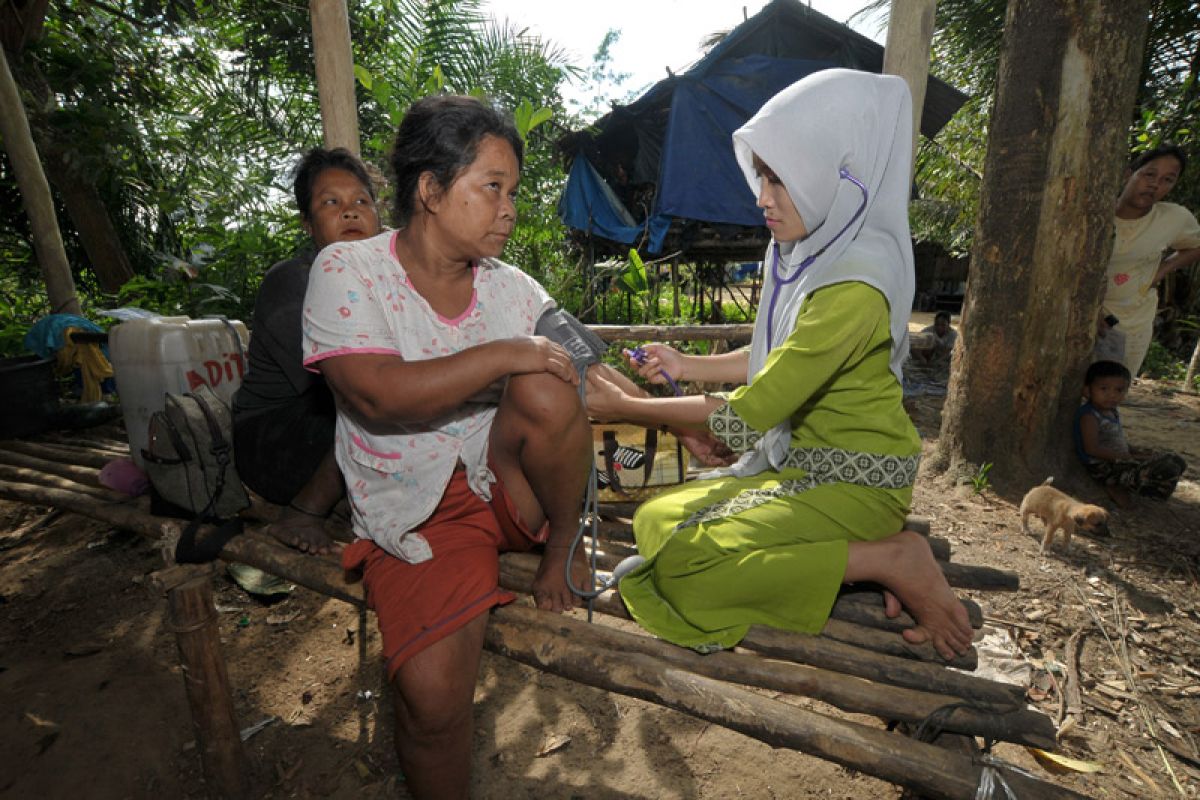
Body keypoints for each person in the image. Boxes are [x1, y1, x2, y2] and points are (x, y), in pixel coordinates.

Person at [585, 69, 974, 662]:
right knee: (658, 520)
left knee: (688, 566)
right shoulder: (811, 250)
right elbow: (780, 358)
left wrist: (628, 407)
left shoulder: (856, 284)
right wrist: (688, 362)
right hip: (804, 466)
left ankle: (889, 558)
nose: (762, 196)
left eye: (780, 179)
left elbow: (756, 407)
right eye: (762, 175)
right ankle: (852, 561)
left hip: (856, 482)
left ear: (834, 172)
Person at [301, 95, 592, 800]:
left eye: (513, 192)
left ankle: (564, 542)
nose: (509, 208)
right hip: (417, 507)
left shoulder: (512, 288)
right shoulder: (350, 271)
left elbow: (584, 368)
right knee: (432, 707)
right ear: (430, 190)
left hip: (507, 484)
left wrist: (676, 413)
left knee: (550, 385)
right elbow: (377, 395)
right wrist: (506, 354)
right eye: (491, 187)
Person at [232, 147, 381, 554]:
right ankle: (305, 510)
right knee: (379, 399)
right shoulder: (293, 283)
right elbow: (344, 387)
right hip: (276, 439)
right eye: (331, 202)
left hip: (336, 426)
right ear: (309, 225)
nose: (350, 212)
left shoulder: (386, 280)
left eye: (361, 201)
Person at [1097, 145, 1200, 376]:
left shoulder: (1173, 218)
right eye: (1149, 174)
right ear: (1129, 173)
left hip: (1131, 326)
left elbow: (1196, 246)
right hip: (1078, 320)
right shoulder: (1096, 213)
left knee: (1106, 398)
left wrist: (1163, 269)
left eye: (1167, 179)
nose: (1155, 184)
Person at [1074, 359, 1186, 507]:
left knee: (1175, 461)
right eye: (1104, 389)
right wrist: (1130, 457)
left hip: (1120, 461)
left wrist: (1135, 451)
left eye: (1119, 390)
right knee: (1165, 466)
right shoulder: (1090, 416)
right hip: (1104, 468)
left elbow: (1113, 440)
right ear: (1087, 391)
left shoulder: (1111, 412)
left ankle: (1149, 493)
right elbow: (1091, 449)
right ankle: (1116, 486)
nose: (1112, 395)